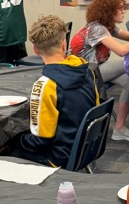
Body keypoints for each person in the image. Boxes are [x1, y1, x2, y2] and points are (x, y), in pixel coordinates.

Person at [69, 0, 129, 142]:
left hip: (97, 68)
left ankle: (119, 128)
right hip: (84, 73)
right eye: (120, 8)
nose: (124, 11)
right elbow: (122, 50)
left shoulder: (107, 27)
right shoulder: (97, 28)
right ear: (109, 11)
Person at [11, 15, 100, 168]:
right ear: (64, 44)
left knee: (2, 150)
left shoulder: (45, 85)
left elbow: (40, 141)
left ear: (35, 50)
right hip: (88, 148)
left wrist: (13, 140)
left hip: (59, 158)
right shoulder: (87, 70)